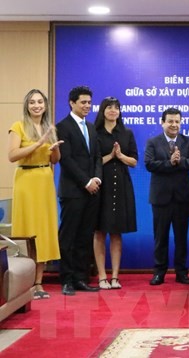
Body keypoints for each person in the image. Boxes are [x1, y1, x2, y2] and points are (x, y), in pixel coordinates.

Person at [7, 89, 63, 299]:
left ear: (46, 105)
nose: (37, 105)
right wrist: (38, 144)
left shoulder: (49, 127)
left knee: (43, 230)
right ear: (27, 105)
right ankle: (27, 283)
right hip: (26, 181)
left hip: (45, 180)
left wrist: (55, 149)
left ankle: (39, 282)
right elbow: (12, 156)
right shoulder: (18, 126)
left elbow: (55, 160)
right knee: (28, 229)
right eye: (32, 102)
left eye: (40, 102)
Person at [56, 85, 102, 295]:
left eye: (89, 103)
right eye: (83, 102)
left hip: (92, 191)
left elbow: (96, 157)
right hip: (73, 191)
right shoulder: (62, 127)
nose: (87, 106)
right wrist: (85, 181)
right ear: (72, 103)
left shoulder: (91, 127)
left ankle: (80, 278)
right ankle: (66, 279)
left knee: (85, 236)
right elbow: (66, 159)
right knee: (69, 236)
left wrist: (96, 178)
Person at [144, 107, 189, 286]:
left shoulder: (187, 141)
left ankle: (181, 273)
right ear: (162, 122)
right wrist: (170, 163)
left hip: (182, 198)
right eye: (170, 121)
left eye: (177, 121)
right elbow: (149, 164)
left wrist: (179, 161)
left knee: (181, 238)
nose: (174, 125)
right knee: (161, 238)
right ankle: (159, 272)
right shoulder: (153, 142)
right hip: (161, 198)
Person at [93, 97, 138, 290]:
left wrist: (120, 156)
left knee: (117, 232)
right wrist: (110, 156)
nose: (113, 111)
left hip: (121, 185)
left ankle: (115, 276)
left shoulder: (126, 133)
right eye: (109, 108)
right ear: (103, 110)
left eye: (116, 108)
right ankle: (102, 276)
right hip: (100, 187)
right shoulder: (95, 133)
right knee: (99, 231)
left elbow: (134, 161)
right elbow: (91, 163)